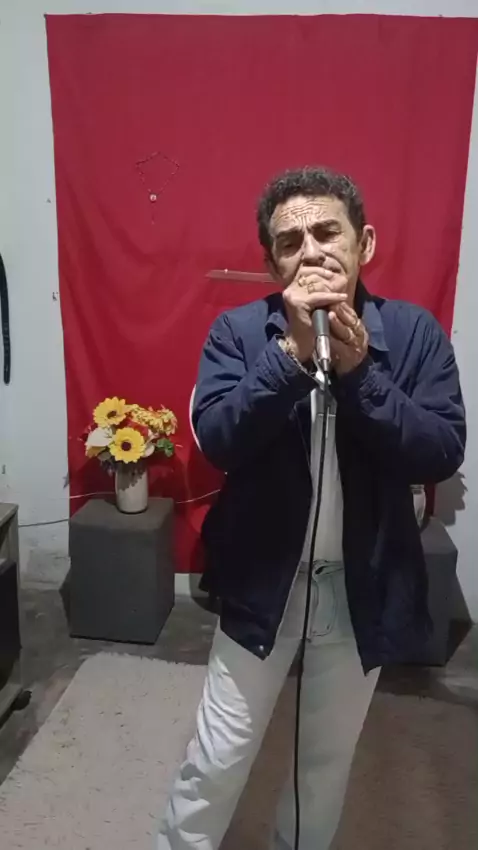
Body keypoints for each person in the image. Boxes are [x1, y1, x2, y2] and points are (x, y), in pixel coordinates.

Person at [157, 167, 466, 850]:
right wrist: (291, 355)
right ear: (273, 262)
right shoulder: (238, 332)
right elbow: (218, 439)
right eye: (290, 242)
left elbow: (440, 449)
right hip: (262, 584)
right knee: (217, 757)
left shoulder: (413, 334)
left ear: (365, 243)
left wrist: (361, 375)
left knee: (323, 766)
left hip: (363, 587)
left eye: (328, 232)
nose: (312, 251)